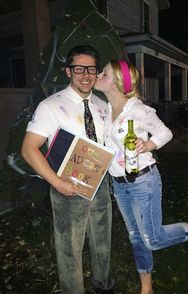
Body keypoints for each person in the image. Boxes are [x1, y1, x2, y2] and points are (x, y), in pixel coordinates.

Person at [94, 59, 188, 294]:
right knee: (137, 237)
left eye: (103, 73)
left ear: (116, 81)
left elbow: (165, 133)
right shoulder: (104, 110)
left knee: (152, 239)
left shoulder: (138, 110)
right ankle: (147, 288)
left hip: (143, 182)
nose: (97, 74)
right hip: (119, 185)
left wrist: (148, 145)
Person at [21, 45, 115, 294]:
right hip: (66, 187)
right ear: (68, 71)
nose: (86, 75)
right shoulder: (50, 106)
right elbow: (29, 149)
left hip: (100, 185)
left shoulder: (102, 105)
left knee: (102, 240)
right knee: (69, 250)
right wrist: (57, 183)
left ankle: (103, 286)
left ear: (97, 72)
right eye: (79, 68)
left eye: (92, 69)